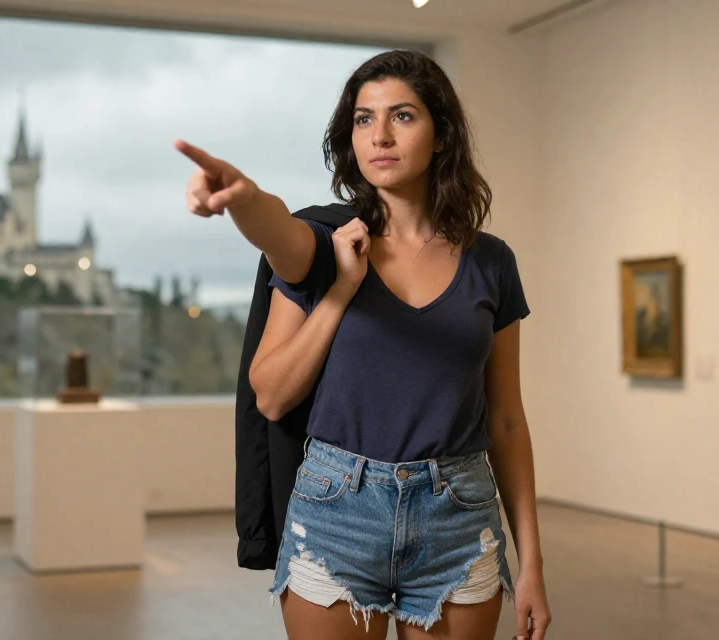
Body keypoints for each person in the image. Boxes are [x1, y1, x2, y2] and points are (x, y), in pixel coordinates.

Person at [176, 49, 550, 640]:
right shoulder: (325, 244)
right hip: (337, 513)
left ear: (441, 134)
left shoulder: (492, 262)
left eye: (401, 116)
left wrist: (532, 564)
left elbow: (505, 421)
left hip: (459, 516)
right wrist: (244, 199)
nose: (378, 134)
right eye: (362, 118)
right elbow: (270, 394)